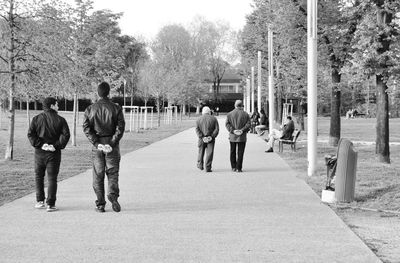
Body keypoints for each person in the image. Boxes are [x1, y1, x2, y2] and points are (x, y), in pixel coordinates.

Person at [83, 82, 125, 213]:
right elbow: (120, 128)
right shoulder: (116, 108)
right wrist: (112, 143)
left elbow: (86, 128)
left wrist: (96, 143)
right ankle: (112, 195)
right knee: (112, 172)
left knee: (98, 175)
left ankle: (100, 203)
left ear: (97, 93)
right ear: (109, 92)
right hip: (111, 144)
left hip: (98, 145)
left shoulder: (90, 109)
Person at [27, 97, 70, 212]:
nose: (58, 106)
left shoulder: (36, 119)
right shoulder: (61, 120)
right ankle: (50, 204)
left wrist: (41, 145)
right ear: (51, 106)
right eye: (56, 104)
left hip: (39, 153)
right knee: (52, 178)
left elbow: (31, 134)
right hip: (53, 154)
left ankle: (40, 201)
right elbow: (66, 135)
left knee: (38, 176)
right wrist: (55, 145)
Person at [225, 100, 251, 172]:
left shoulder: (229, 114)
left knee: (232, 151)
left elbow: (227, 124)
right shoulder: (245, 114)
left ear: (235, 105)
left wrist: (233, 130)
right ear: (241, 105)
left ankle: (233, 167)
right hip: (242, 137)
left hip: (233, 136)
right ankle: (239, 168)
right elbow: (248, 124)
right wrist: (242, 130)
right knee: (240, 152)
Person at [195, 106, 219, 172]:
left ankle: (200, 165)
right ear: (209, 112)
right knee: (210, 153)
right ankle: (208, 167)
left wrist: (202, 137)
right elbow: (217, 129)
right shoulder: (214, 119)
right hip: (210, 139)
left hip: (201, 139)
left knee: (201, 152)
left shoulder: (198, 119)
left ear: (202, 112)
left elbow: (197, 129)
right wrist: (212, 136)